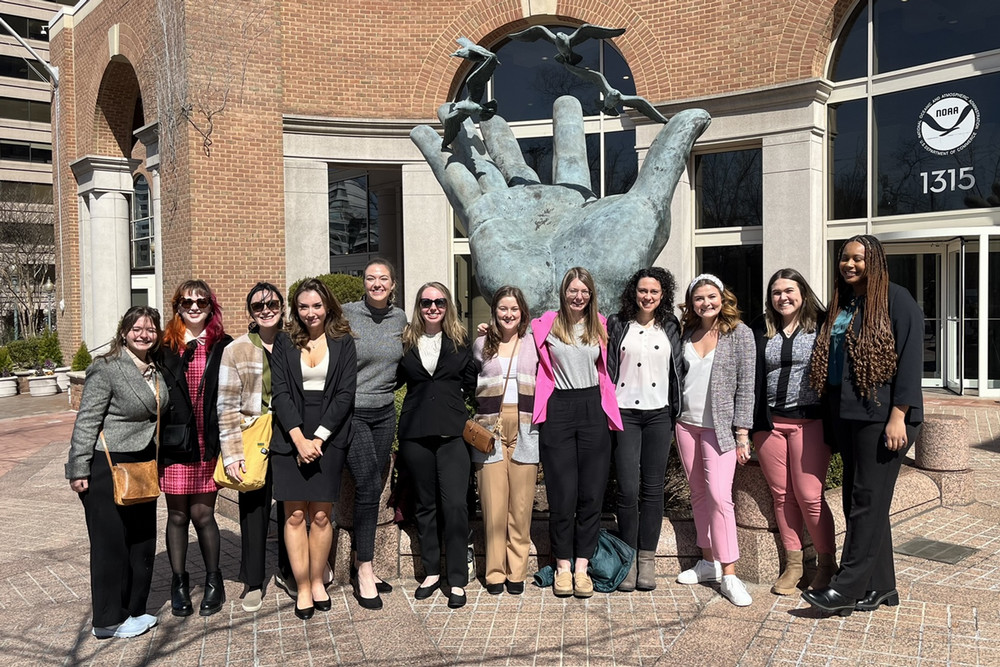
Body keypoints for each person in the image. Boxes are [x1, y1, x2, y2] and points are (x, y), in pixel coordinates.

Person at [803, 235, 923, 616]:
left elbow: (910, 361)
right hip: (848, 415)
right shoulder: (844, 301)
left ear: (876, 262)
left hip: (884, 417)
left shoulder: (896, 299)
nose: (850, 264)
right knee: (865, 502)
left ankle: (847, 589)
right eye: (845, 257)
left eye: (859, 258)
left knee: (866, 502)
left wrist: (899, 415)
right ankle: (882, 586)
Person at [66, 306, 169, 639]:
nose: (143, 334)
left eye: (150, 329)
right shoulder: (106, 368)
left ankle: (134, 610)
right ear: (124, 332)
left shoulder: (154, 369)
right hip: (107, 465)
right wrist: (78, 466)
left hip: (142, 464)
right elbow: (87, 421)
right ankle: (108, 620)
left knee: (141, 541)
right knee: (111, 545)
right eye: (136, 328)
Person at [532, 267, 623, 599]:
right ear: (563, 292)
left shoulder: (600, 325)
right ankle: (562, 567)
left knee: (591, 493)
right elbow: (511, 338)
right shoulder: (544, 325)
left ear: (591, 294)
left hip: (592, 408)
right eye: (573, 290)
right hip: (558, 408)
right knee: (562, 493)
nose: (578, 295)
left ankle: (582, 567)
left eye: (584, 290)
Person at [270, 278, 357, 619]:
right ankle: (302, 586)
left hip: (329, 436)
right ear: (296, 309)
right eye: (303, 306)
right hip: (290, 434)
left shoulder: (343, 342)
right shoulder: (283, 342)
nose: (310, 312)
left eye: (316, 305)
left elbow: (345, 395)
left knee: (321, 515)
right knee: (294, 515)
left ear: (328, 306)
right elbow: (280, 393)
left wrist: (318, 438)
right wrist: (299, 439)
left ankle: (319, 581)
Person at [751, 269, 836, 596]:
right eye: (776, 292)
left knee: (810, 495)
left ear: (802, 292)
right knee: (782, 496)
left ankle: (827, 562)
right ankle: (795, 564)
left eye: (789, 290)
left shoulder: (823, 324)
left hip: (811, 421)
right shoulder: (762, 327)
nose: (782, 297)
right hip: (770, 424)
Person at [673, 273, 755, 607]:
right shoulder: (685, 333)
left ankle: (730, 574)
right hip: (686, 425)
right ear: (691, 303)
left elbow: (746, 385)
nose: (706, 303)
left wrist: (742, 433)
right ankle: (707, 562)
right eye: (698, 298)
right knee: (698, 494)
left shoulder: (739, 334)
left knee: (721, 497)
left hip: (720, 429)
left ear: (723, 297)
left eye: (711, 297)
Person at [397, 282, 479, 609]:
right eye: (426, 302)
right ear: (419, 307)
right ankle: (432, 571)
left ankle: (456, 577)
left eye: (439, 302)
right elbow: (389, 379)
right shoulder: (405, 343)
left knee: (456, 506)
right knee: (425, 506)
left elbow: (476, 384)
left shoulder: (461, 343)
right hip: (416, 435)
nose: (433, 307)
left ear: (448, 306)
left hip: (453, 434)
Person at [606, 267, 685, 592]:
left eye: (654, 291)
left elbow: (678, 367)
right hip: (625, 413)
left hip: (658, 415)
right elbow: (608, 365)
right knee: (626, 489)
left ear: (662, 294)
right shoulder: (618, 324)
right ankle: (628, 558)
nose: (647, 296)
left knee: (653, 490)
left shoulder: (670, 326)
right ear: (633, 293)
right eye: (642, 291)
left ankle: (647, 560)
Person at [216, 282, 293, 612]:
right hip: (253, 437)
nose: (266, 309)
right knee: (254, 509)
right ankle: (253, 580)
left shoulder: (295, 344)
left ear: (282, 306)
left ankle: (292, 571)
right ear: (250, 312)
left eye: (272, 303)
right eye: (258, 306)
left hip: (290, 437)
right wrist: (232, 453)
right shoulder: (237, 349)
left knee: (292, 506)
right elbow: (226, 405)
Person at [159, 280, 232, 617]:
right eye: (187, 301)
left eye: (201, 301)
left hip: (209, 441)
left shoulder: (223, 345)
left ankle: (214, 581)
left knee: (203, 514)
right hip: (175, 443)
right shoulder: (164, 345)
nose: (193, 307)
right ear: (177, 305)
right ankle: (179, 582)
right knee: (177, 515)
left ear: (210, 306)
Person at [342, 259, 407, 609]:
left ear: (393, 284)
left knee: (375, 486)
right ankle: (365, 568)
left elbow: (404, 364)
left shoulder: (399, 319)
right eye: (371, 278)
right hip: (352, 412)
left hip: (384, 413)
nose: (377, 283)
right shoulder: (348, 314)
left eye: (384, 278)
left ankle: (358, 559)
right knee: (367, 485)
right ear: (363, 282)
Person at [471, 286, 539, 596]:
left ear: (522, 312)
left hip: (526, 426)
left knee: (521, 506)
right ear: (494, 312)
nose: (508, 314)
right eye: (502, 309)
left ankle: (517, 572)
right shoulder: (481, 344)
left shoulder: (534, 343)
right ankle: (495, 572)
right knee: (494, 505)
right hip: (490, 430)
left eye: (513, 309)